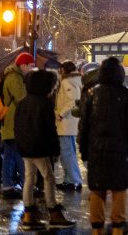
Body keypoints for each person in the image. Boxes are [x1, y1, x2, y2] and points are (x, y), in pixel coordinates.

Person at [78, 56, 128, 235]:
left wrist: (83, 149)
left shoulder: (92, 93)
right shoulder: (125, 94)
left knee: (97, 189)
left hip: (96, 150)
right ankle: (117, 229)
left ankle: (96, 229)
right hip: (121, 151)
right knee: (119, 190)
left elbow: (84, 125)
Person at [15, 69, 75, 230]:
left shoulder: (23, 102)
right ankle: (53, 211)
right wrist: (54, 150)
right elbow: (49, 129)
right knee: (48, 178)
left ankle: (29, 214)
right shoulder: (44, 103)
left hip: (26, 147)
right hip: (40, 148)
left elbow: (18, 126)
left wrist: (20, 145)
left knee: (29, 178)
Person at [1, 52, 34, 199]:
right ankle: (26, 184)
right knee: (19, 154)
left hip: (10, 122)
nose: (32, 69)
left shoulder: (15, 76)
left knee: (10, 154)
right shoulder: (15, 78)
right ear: (23, 65)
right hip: (13, 122)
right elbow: (22, 98)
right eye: (31, 66)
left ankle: (7, 185)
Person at [55, 61, 84, 192]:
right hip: (70, 122)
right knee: (68, 152)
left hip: (66, 123)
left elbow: (73, 100)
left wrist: (61, 114)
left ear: (64, 70)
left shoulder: (67, 82)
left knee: (67, 153)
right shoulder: (76, 80)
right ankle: (70, 179)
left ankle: (72, 181)